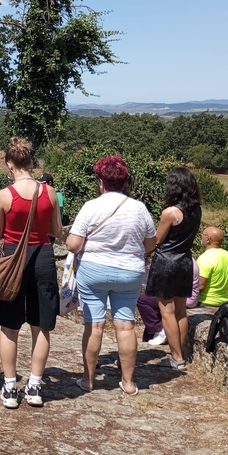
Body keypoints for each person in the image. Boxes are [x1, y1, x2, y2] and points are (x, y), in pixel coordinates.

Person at [66, 156, 156, 395]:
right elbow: (150, 244)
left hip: (94, 270)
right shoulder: (139, 208)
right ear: (125, 182)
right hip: (129, 272)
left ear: (100, 181)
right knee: (125, 326)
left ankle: (88, 380)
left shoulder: (91, 206)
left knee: (94, 325)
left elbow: (73, 244)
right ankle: (128, 382)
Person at [0, 137, 62, 408]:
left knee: (9, 326)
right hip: (43, 256)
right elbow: (56, 231)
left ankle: (10, 387)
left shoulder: (3, 195)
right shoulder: (49, 192)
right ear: (31, 162)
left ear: (10, 164)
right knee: (40, 325)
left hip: (12, 257)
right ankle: (35, 385)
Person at [145, 167, 202, 370]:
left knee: (166, 312)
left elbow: (157, 240)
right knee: (180, 311)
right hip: (185, 261)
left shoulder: (170, 213)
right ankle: (180, 354)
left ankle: (176, 357)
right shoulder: (196, 210)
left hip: (166, 262)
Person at [137, 260, 199, 346]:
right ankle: (152, 335)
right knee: (153, 307)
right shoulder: (189, 260)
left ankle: (160, 330)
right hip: (189, 297)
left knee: (143, 300)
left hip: (183, 298)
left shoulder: (176, 261)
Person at [195, 227, 228, 307]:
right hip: (223, 302)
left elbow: (200, 286)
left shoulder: (205, 258)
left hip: (205, 302)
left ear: (208, 239)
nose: (201, 237)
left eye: (202, 235)